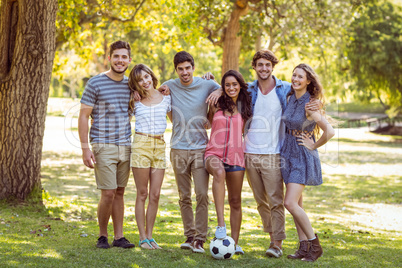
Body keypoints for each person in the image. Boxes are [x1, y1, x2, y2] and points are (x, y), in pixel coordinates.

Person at [244, 49, 321, 258]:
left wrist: (318, 104)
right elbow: (227, 90)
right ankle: (291, 241)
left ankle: (276, 243)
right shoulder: (248, 90)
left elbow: (307, 95)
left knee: (277, 200)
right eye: (260, 64)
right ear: (254, 66)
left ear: (272, 67)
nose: (263, 68)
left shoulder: (285, 89)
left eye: (267, 65)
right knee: (261, 201)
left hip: (275, 153)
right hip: (249, 153)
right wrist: (213, 86)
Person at [162, 51, 222, 254]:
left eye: (188, 68)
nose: (184, 72)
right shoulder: (169, 85)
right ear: (176, 70)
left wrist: (218, 91)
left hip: (200, 149)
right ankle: (189, 235)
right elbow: (155, 96)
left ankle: (200, 239)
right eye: (180, 69)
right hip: (178, 148)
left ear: (193, 67)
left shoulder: (207, 84)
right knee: (184, 196)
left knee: (202, 194)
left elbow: (232, 87)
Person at [78, 40, 135, 249]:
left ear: (129, 60)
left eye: (124, 57)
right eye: (116, 56)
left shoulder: (132, 84)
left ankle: (119, 237)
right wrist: (85, 148)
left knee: (120, 191)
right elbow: (84, 115)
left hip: (126, 145)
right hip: (103, 144)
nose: (120, 60)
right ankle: (102, 235)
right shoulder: (95, 83)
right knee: (108, 192)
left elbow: (150, 96)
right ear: (109, 58)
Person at [281, 63, 334, 262]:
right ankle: (303, 247)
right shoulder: (289, 96)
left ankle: (314, 244)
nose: (295, 79)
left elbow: (330, 131)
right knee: (298, 203)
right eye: (294, 75)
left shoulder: (309, 105)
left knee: (290, 203)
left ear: (308, 81)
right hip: (287, 153)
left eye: (300, 77)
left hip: (302, 156)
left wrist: (313, 145)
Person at [204, 70, 252, 255]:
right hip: (213, 153)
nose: (231, 88)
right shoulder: (216, 103)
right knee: (219, 173)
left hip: (236, 156)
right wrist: (214, 85)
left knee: (235, 201)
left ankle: (234, 243)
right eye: (227, 85)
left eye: (234, 84)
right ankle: (221, 226)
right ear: (223, 88)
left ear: (240, 85)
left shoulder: (245, 105)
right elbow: (208, 122)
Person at [128, 64, 172, 250]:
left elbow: (175, 119)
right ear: (135, 84)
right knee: (143, 193)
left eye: (146, 77)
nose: (145, 82)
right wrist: (131, 95)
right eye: (140, 80)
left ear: (152, 76)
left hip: (160, 146)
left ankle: (151, 236)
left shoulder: (166, 97)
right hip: (141, 145)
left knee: (155, 194)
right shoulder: (135, 100)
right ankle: (142, 237)